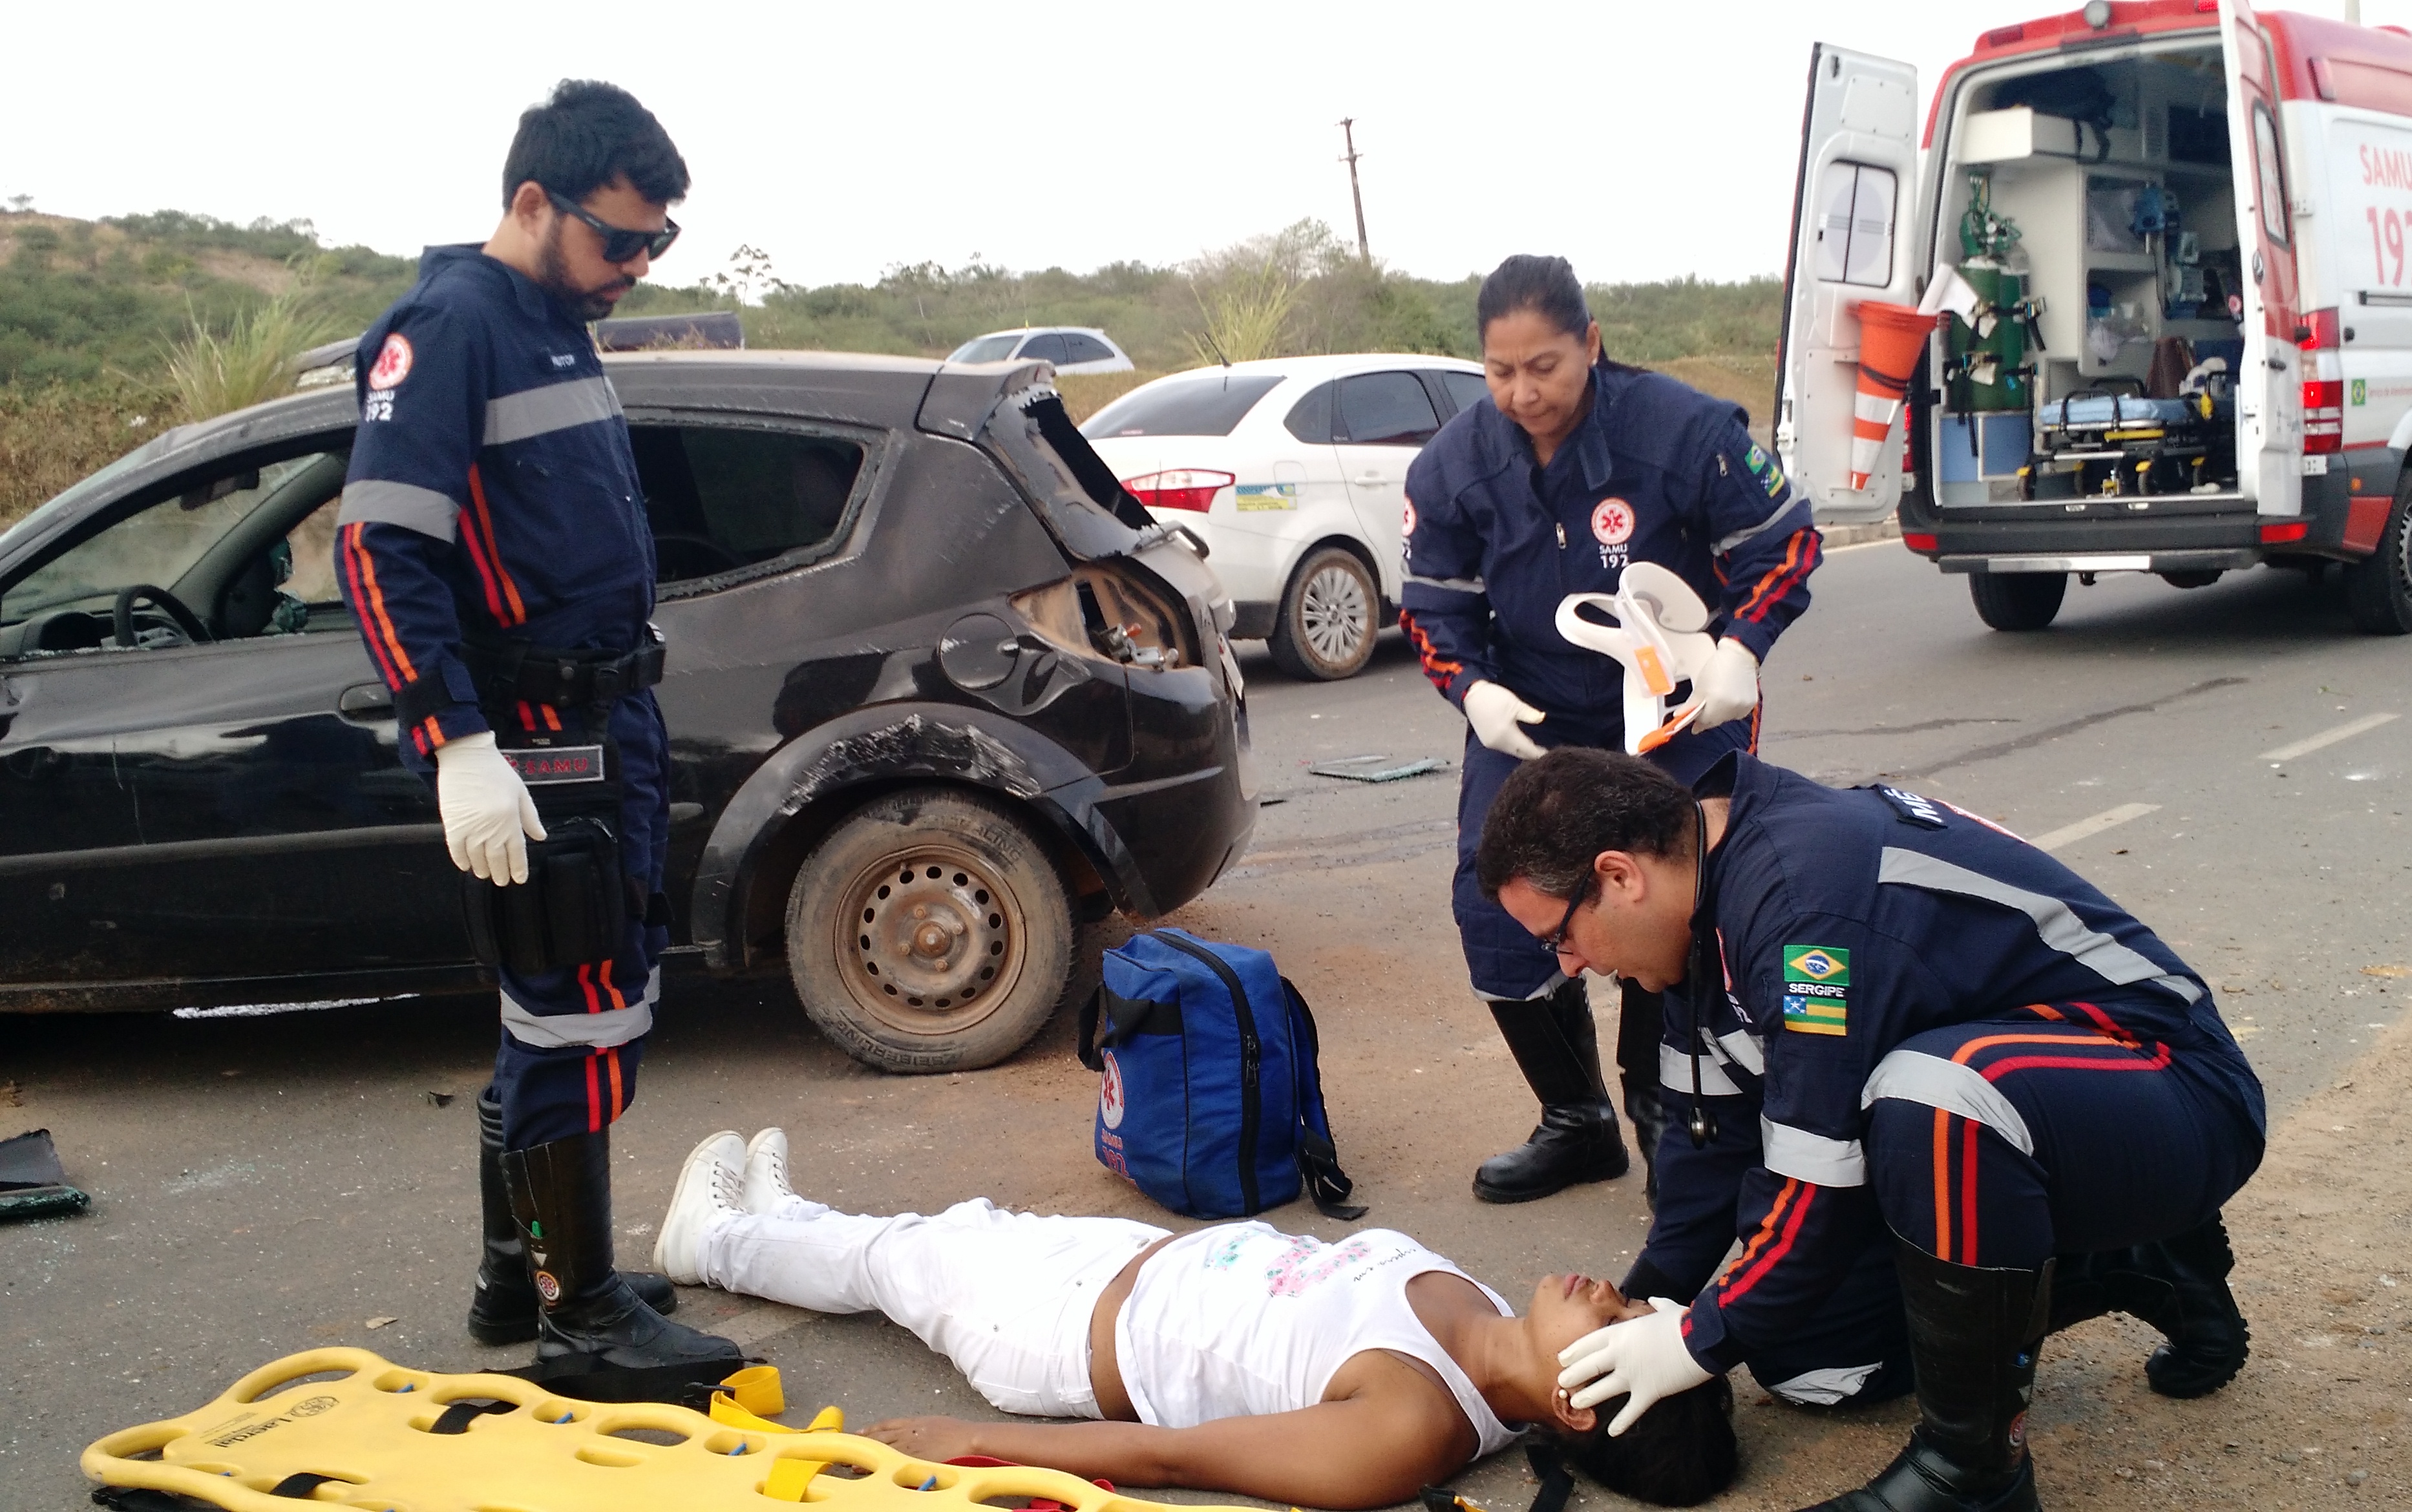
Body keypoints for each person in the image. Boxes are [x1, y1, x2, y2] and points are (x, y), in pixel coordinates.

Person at [1476, 749, 2265, 1512]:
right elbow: (1705, 1152)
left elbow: (1815, 1181)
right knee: (1815, 1363)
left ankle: (1972, 1475)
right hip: (2043, 1111)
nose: (1570, 965)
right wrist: (1649, 1310)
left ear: (1619, 877)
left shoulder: (1801, 914)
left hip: (2170, 1089)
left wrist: (1698, 1341)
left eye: (1559, 936)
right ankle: (2132, 1265)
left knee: (1929, 1097)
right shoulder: (1701, 913)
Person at [335, 80, 737, 1386]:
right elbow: (381, 545)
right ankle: (584, 1321)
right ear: (530, 202)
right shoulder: (452, 328)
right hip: (530, 733)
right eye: (619, 240)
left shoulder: (556, 325)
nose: (635, 267)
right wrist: (455, 742)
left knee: (555, 1006)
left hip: (603, 716)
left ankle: (527, 1273)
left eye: (655, 247)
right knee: (571, 1008)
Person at [650, 1128, 1737, 1510]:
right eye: (1642, 1304)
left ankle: (715, 1243)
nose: (1622, 1293)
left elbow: (1174, 1456)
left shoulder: (1407, 1428)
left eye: (1627, 1322)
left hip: (1063, 1334)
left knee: (897, 1261)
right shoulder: (1492, 1315)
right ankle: (783, 1218)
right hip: (1128, 1263)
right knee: (944, 1228)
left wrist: (978, 1447)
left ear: (1580, 1405)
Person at [1399, 254, 1821, 1206]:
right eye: (1501, 371)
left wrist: (1743, 649)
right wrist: (1470, 691)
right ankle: (1576, 1119)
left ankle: (1673, 1116)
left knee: (1671, 903)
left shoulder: (1687, 432)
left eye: (1544, 366)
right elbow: (1430, 604)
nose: (1522, 392)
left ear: (1591, 344)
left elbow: (1785, 543)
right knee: (1497, 902)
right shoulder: (1455, 464)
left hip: (1673, 702)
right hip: (1534, 717)